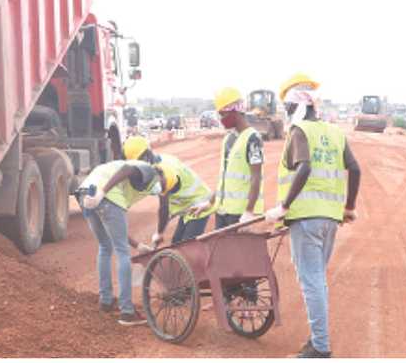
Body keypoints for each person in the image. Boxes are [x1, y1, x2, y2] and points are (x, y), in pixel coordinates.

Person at [265, 73, 362, 358]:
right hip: (330, 219)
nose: (284, 114)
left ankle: (320, 347)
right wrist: (349, 208)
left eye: (286, 108)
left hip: (306, 219)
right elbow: (355, 169)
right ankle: (317, 339)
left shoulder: (300, 131)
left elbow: (305, 168)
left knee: (312, 282)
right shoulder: (334, 132)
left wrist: (283, 206)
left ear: (295, 105)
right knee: (317, 279)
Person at [79, 135, 169, 326]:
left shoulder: (118, 169)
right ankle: (127, 312)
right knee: (122, 253)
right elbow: (128, 169)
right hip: (103, 195)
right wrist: (103, 192)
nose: (162, 184)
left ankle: (105, 301)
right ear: (146, 155)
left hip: (85, 195)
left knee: (105, 246)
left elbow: (115, 230)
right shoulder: (146, 168)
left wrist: (138, 245)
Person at [141, 138, 216, 246]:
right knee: (176, 243)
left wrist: (159, 233)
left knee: (187, 246)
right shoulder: (158, 164)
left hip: (199, 205)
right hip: (187, 207)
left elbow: (164, 207)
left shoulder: (165, 171)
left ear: (146, 156)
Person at [213, 86, 265, 229]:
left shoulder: (253, 138)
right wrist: (210, 202)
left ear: (235, 112)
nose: (222, 119)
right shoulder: (228, 139)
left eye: (223, 114)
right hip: (222, 211)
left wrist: (249, 211)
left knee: (237, 251)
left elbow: (256, 176)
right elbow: (224, 179)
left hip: (239, 214)